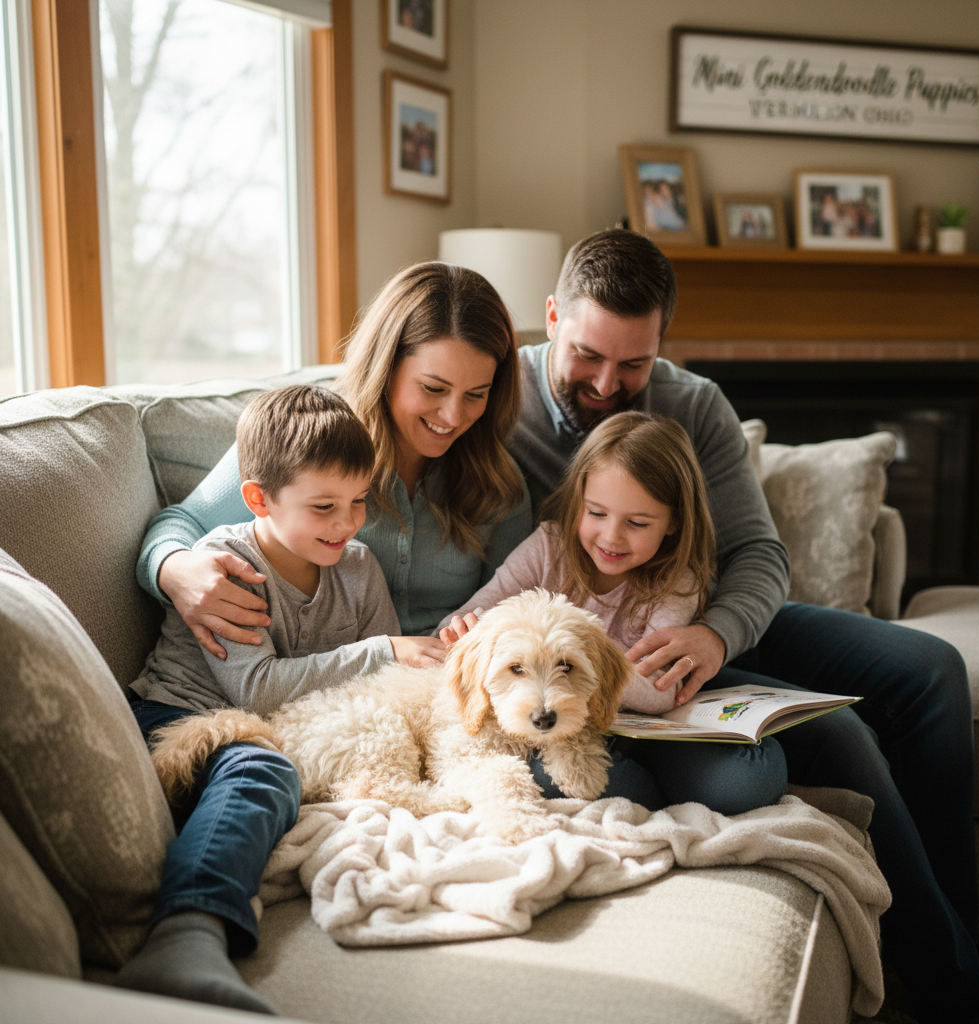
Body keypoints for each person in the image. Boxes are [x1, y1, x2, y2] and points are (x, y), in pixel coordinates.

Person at [506, 227, 979, 1024]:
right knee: (846, 739)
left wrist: (715, 637)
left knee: (931, 670)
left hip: (696, 621)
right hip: (598, 661)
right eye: (587, 356)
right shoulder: (491, 402)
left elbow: (757, 553)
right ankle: (957, 989)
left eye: (634, 363)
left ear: (662, 346)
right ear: (551, 317)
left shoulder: (694, 404)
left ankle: (950, 951)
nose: (608, 383)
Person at [118, 384, 438, 1013]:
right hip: (181, 720)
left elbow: (381, 692)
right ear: (260, 499)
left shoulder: (358, 567)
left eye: (358, 502)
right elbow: (258, 689)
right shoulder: (226, 566)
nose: (346, 524)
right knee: (264, 767)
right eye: (323, 507)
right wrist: (382, 652)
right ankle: (185, 936)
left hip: (281, 727)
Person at [136, 262, 532, 658]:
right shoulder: (309, 437)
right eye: (433, 388)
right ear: (386, 367)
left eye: (476, 394)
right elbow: (181, 523)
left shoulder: (497, 483)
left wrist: (477, 626)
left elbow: (514, 600)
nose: (452, 416)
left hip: (443, 677)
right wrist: (176, 571)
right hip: (326, 687)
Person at [438, 410, 787, 815]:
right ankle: (646, 792)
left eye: (637, 522)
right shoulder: (549, 546)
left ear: (673, 522)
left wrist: (582, 665)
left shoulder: (678, 581)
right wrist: (462, 628)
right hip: (557, 731)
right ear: (578, 502)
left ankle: (654, 787)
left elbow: (659, 690)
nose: (611, 536)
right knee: (567, 778)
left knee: (753, 775)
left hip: (642, 732)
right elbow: (473, 611)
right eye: (597, 513)